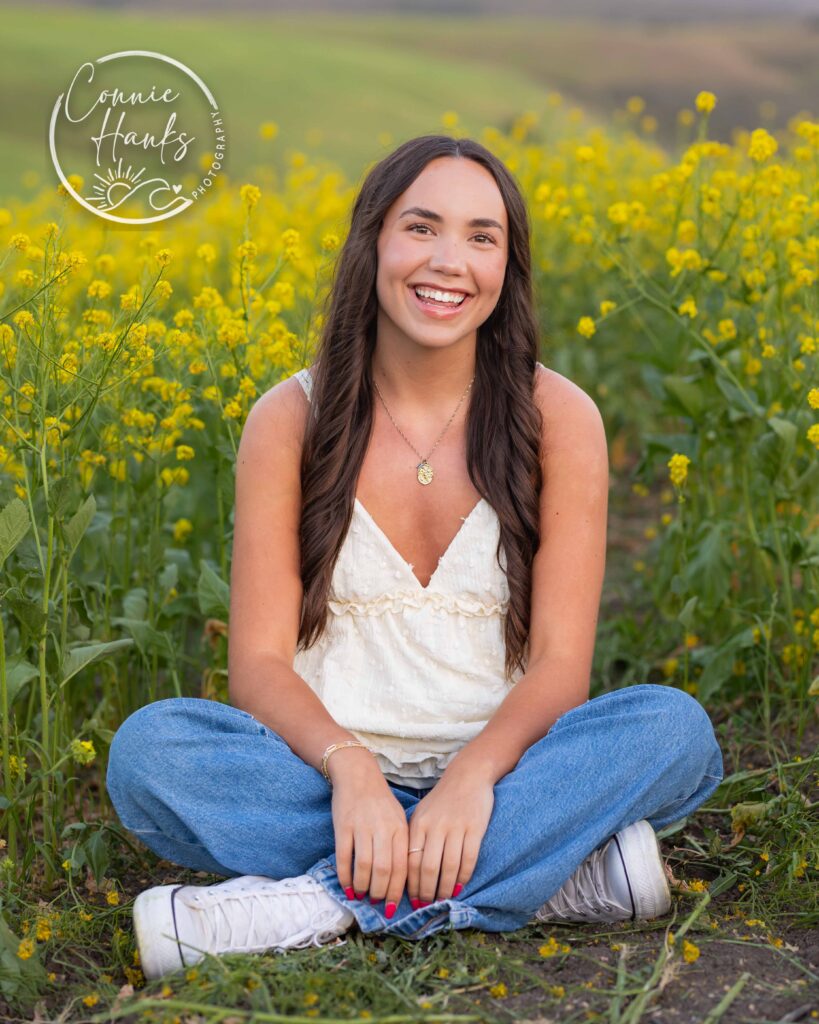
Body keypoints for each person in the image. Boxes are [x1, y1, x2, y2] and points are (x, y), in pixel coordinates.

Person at [106, 135, 724, 981]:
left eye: (481, 236)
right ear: (372, 244)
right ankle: (541, 878)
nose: (449, 261)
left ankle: (318, 903)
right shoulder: (288, 419)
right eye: (421, 228)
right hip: (320, 787)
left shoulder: (558, 417)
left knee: (673, 733)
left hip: (505, 779)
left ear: (508, 264)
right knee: (149, 753)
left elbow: (557, 667)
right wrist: (351, 770)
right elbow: (254, 664)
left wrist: (470, 780)